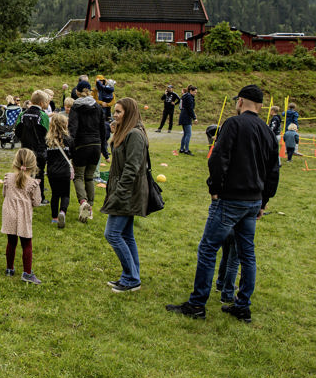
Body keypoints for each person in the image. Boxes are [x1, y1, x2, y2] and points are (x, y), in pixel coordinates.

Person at [166, 85, 280, 323]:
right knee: (247, 253)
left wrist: (215, 189)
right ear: (260, 107)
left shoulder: (233, 124)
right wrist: (264, 201)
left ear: (241, 102)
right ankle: (242, 305)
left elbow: (218, 157)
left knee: (208, 249)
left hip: (231, 199)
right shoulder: (268, 131)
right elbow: (273, 170)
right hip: (253, 200)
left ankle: (197, 304)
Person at [101, 97, 151, 293]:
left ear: (128, 113)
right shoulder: (126, 132)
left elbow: (132, 168)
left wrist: (119, 192)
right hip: (122, 190)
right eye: (114, 111)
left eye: (119, 112)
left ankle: (131, 278)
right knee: (126, 235)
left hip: (127, 192)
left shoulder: (135, 135)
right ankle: (131, 276)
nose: (115, 115)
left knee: (112, 234)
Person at [67, 79, 108, 223]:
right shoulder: (97, 107)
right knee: (89, 177)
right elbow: (103, 129)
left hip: (81, 146)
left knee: (78, 176)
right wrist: (104, 150)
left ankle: (83, 202)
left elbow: (72, 129)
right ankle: (90, 206)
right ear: (90, 91)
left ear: (77, 92)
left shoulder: (76, 107)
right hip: (96, 145)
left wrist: (69, 148)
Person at [2, 147, 42, 284]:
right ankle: (27, 273)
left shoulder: (8, 178)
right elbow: (37, 202)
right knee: (27, 244)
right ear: (33, 165)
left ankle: (9, 269)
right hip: (23, 216)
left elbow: (4, 194)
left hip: (9, 214)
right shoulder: (33, 183)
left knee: (11, 242)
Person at [15, 89, 50, 204]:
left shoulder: (22, 114)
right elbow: (47, 133)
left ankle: (23, 195)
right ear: (41, 103)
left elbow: (17, 132)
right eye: (47, 102)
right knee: (39, 173)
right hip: (39, 149)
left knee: (25, 172)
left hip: (25, 149)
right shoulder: (43, 116)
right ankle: (40, 197)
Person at [44, 112, 73, 229]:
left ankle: (54, 218)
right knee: (65, 194)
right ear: (65, 125)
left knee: (55, 194)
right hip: (64, 171)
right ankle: (63, 212)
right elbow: (72, 154)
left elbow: (45, 156)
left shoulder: (48, 140)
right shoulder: (69, 140)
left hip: (52, 171)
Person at [178, 85, 198, 155]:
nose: (195, 94)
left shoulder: (185, 96)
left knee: (185, 134)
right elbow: (190, 109)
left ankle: (181, 149)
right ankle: (186, 150)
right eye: (195, 92)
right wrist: (194, 118)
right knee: (188, 134)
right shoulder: (189, 97)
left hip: (183, 115)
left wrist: (193, 114)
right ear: (191, 91)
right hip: (186, 117)